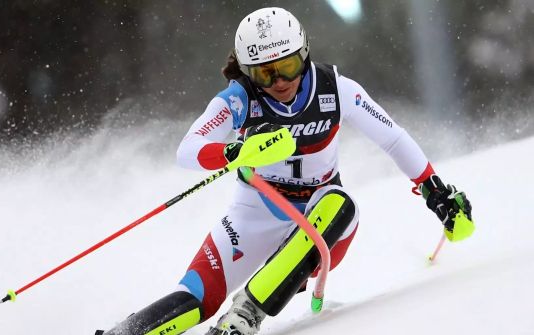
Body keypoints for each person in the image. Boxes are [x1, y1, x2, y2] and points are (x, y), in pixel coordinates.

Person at [101, 7, 473, 335]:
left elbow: (393, 139)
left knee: (342, 205)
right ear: (249, 72)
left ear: (304, 53)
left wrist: (434, 190)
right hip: (254, 211)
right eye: (265, 73)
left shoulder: (337, 90)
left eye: (289, 66)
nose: (280, 82)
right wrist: (235, 150)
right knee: (197, 298)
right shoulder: (239, 98)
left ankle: (245, 316)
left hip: (320, 213)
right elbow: (188, 149)